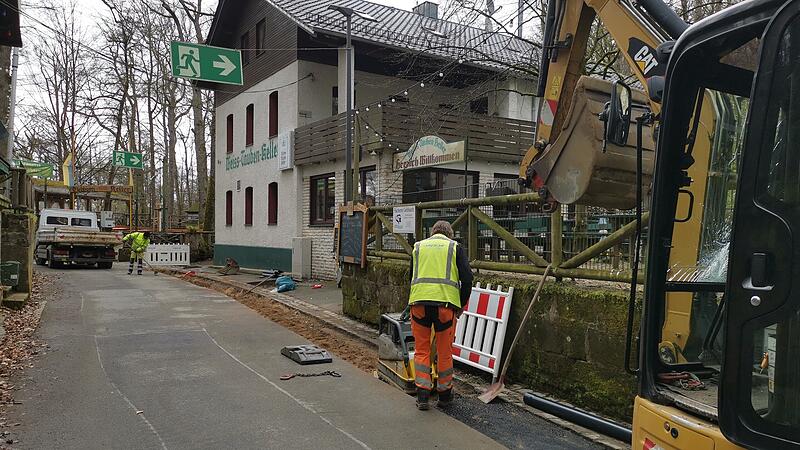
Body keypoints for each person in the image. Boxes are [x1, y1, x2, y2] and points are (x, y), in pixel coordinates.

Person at [408, 220, 473, 410]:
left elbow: (411, 276)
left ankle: (422, 396)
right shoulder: (455, 248)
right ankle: (444, 396)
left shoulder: (418, 247)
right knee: (445, 352)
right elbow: (467, 278)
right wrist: (460, 304)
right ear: (449, 234)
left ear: (433, 232)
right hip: (445, 307)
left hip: (419, 305)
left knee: (422, 349)